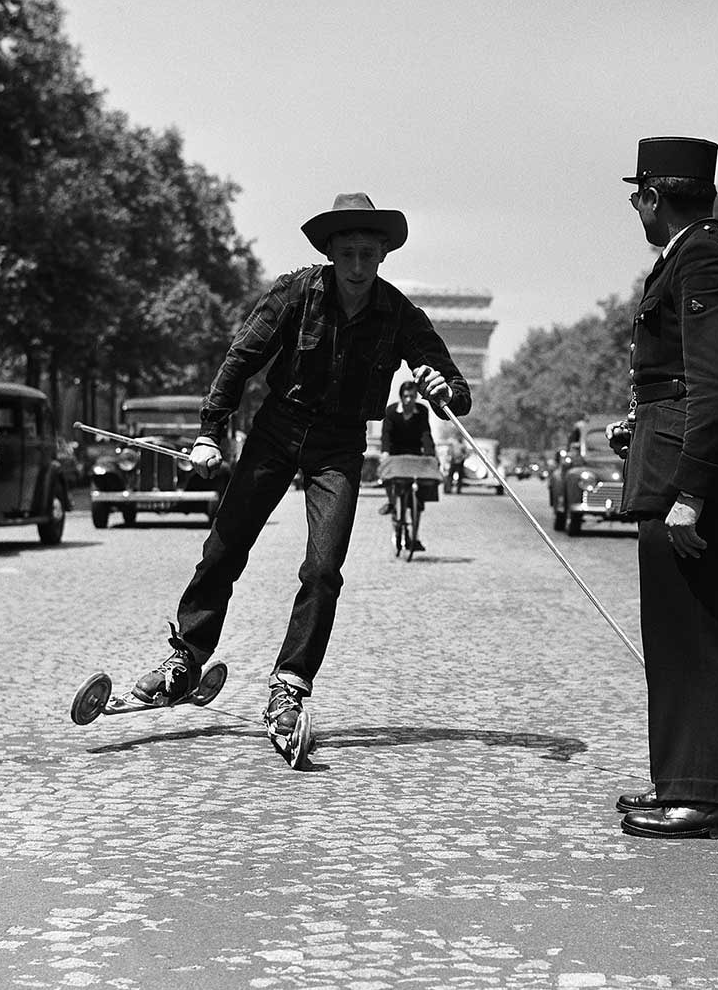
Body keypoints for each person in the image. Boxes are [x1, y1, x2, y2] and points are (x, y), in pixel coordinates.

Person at [130, 192, 470, 761]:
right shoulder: (295, 293)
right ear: (331, 253)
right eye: (348, 254)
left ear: (383, 255)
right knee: (225, 547)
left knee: (323, 568)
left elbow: (454, 385)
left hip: (339, 446)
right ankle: (187, 655)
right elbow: (241, 360)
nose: (358, 266)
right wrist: (210, 431)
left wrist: (444, 392)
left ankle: (289, 685)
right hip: (276, 430)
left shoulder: (400, 314)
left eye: (368, 253)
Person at [609, 136, 718, 839]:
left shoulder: (699, 258)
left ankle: (702, 796)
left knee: (693, 636)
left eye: (638, 198)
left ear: (652, 198)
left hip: (687, 480)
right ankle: (681, 778)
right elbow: (676, 384)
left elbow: (712, 383)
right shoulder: (693, 253)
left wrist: (691, 491)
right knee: (673, 637)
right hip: (670, 461)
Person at [378, 379, 436, 552]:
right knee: (389, 479)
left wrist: (430, 454)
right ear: (401, 397)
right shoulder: (391, 412)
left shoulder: (422, 412)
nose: (409, 400)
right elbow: (386, 435)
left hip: (414, 455)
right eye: (406, 396)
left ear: (416, 396)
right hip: (395, 454)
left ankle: (415, 535)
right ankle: (391, 503)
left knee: (418, 496)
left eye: (412, 396)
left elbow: (426, 434)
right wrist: (385, 452)